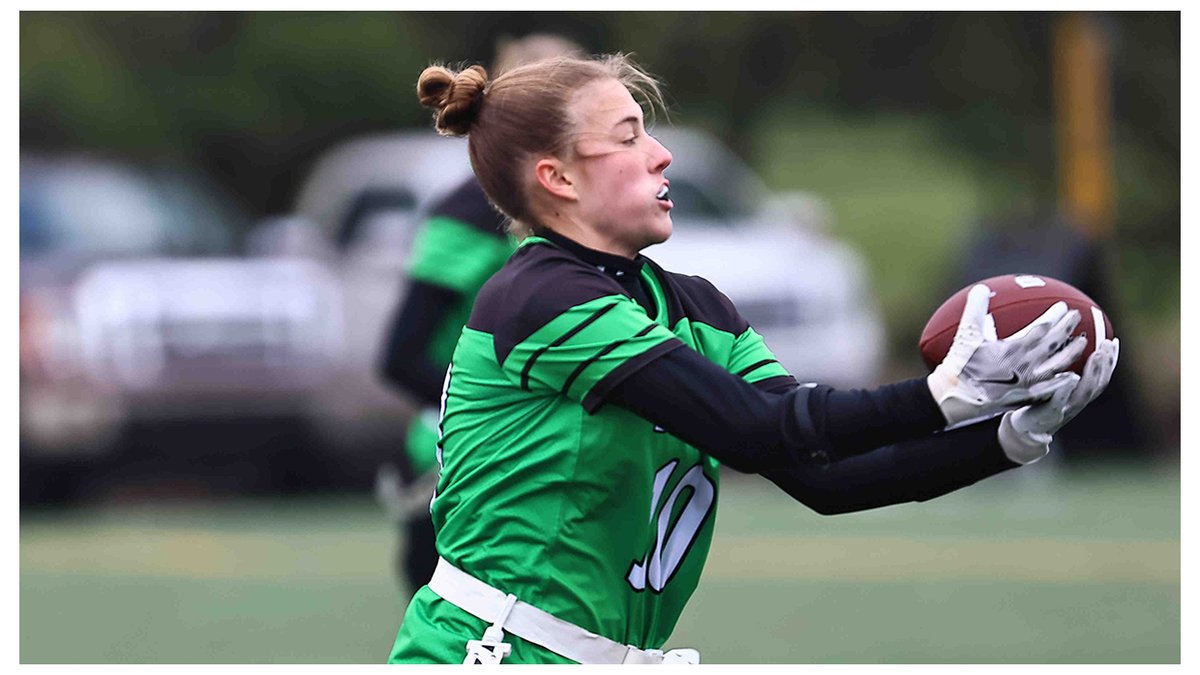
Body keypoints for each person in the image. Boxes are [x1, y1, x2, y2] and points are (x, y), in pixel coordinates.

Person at [386, 53, 1118, 665]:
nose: (661, 154)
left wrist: (1009, 437)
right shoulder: (539, 296)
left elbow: (824, 476)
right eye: (629, 137)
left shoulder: (696, 306)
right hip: (497, 649)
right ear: (560, 178)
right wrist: (942, 395)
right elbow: (752, 430)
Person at [376, 34, 585, 591]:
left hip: (548, 465)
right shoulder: (471, 213)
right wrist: (501, 414)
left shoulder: (581, 211)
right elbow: (399, 357)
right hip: (465, 465)